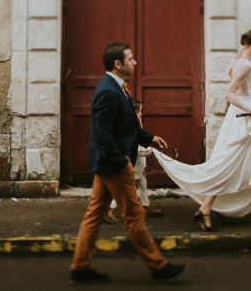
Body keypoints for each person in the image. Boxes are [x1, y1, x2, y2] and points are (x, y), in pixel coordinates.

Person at [153, 27, 251, 231]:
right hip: (246, 121)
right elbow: (229, 94)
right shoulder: (244, 65)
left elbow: (244, 96)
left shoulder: (236, 61)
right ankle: (208, 208)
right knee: (233, 165)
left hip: (244, 120)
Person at [69, 42, 185, 284]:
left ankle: (80, 266)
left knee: (94, 214)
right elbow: (102, 134)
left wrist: (149, 137)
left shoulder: (116, 88)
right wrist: (121, 162)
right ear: (118, 64)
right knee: (133, 215)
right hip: (114, 165)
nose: (136, 63)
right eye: (131, 59)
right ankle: (157, 265)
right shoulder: (108, 91)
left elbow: (127, 127)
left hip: (107, 163)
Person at [106, 99, 162, 222]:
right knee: (125, 185)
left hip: (137, 157)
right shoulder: (129, 123)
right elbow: (133, 140)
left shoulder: (133, 121)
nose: (141, 114)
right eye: (139, 111)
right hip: (134, 158)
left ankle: (146, 205)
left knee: (142, 181)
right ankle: (110, 209)